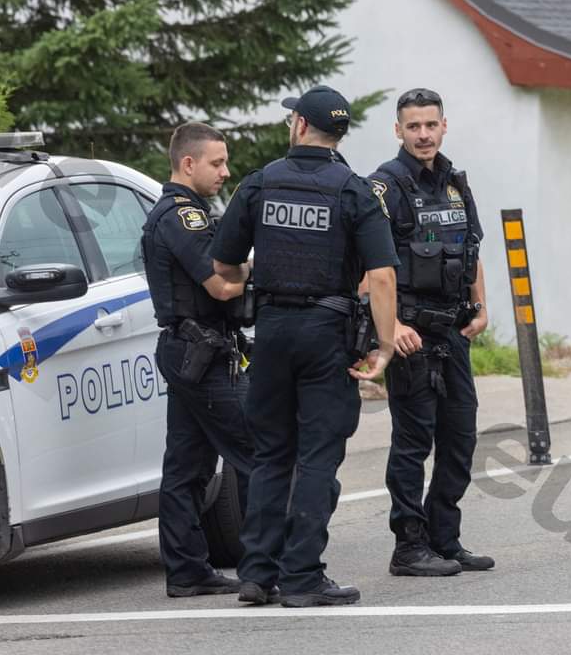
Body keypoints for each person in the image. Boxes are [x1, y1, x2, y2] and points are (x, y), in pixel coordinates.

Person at [211, 85, 397, 607]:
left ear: (299, 126)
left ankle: (257, 574)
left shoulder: (260, 182)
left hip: (271, 330)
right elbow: (383, 276)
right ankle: (302, 576)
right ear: (337, 134)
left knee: (271, 453)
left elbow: (224, 263)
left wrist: (261, 272)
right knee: (317, 457)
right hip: (327, 334)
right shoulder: (355, 191)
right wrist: (384, 347)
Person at [368, 88, 494, 577]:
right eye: (413, 126)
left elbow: (471, 248)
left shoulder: (455, 182)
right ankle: (409, 546)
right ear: (397, 130)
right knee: (413, 444)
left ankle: (445, 539)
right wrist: (391, 326)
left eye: (430, 125)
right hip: (412, 337)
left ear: (444, 126)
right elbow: (368, 268)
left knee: (460, 439)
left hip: (453, 332)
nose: (423, 134)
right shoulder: (386, 186)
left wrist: (480, 306)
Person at [141, 122, 255, 596]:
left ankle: (187, 570)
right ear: (188, 164)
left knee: (187, 466)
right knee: (258, 451)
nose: (225, 172)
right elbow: (220, 285)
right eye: (217, 163)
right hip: (201, 353)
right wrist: (257, 265)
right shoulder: (182, 216)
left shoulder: (192, 212)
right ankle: (269, 564)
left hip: (194, 350)